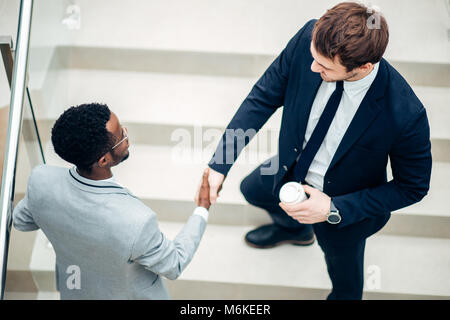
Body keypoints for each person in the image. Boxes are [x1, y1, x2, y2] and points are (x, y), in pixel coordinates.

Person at [195, 2, 432, 300]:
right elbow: (262, 97)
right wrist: (220, 164)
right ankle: (295, 230)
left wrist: (333, 209)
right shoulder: (310, 37)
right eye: (313, 58)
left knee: (345, 286)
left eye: (324, 67)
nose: (312, 68)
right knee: (252, 189)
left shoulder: (406, 114)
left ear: (363, 67)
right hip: (290, 167)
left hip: (343, 206)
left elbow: (413, 187)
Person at [13, 103, 212, 299]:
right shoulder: (135, 221)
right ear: (103, 161)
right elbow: (174, 264)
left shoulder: (41, 180)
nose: (127, 134)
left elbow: (21, 221)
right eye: (122, 137)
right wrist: (202, 208)